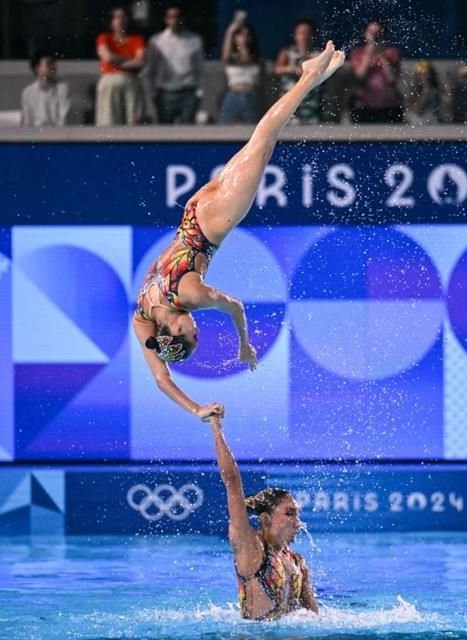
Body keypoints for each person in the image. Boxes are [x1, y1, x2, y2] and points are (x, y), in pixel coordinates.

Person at [132, 41, 345, 419]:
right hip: (194, 211)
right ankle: (312, 79)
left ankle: (309, 75)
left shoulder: (191, 296)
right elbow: (161, 379)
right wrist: (195, 408)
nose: (197, 327)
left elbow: (235, 306)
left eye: (193, 333)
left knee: (264, 142)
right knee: (258, 143)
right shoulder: (142, 315)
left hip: (215, 223)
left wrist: (244, 344)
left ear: (177, 330)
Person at [207, 414, 318, 620]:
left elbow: (315, 619)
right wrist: (215, 427)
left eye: (298, 515)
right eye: (289, 514)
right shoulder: (251, 549)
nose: (297, 522)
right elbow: (231, 481)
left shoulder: (297, 562)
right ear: (266, 519)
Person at [145, 4, 204, 124]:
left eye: (177, 17)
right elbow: (152, 68)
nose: (175, 20)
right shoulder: (156, 40)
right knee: (164, 133)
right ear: (166, 19)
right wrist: (153, 92)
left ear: (182, 19)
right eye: (171, 17)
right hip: (165, 93)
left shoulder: (194, 40)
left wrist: (200, 92)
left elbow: (200, 68)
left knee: (188, 133)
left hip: (188, 92)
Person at [95, 6, 146, 126]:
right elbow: (107, 57)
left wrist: (116, 61)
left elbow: (141, 62)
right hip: (109, 80)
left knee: (134, 122)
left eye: (123, 17)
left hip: (132, 81)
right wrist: (131, 60)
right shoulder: (104, 38)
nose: (120, 20)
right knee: (109, 122)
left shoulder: (137, 39)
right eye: (116, 17)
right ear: (111, 21)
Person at [348, 19, 404, 124]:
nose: (374, 36)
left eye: (378, 33)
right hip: (363, 105)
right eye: (371, 32)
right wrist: (369, 55)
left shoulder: (392, 53)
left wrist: (382, 55)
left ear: (383, 35)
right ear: (365, 34)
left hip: (389, 105)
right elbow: (359, 77)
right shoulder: (357, 53)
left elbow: (392, 79)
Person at [274, 18, 322, 125]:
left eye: (307, 33)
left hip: (311, 102)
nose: (304, 37)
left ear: (313, 36)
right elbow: (277, 69)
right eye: (301, 33)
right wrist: (291, 68)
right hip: (290, 99)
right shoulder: (287, 52)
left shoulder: (318, 54)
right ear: (295, 35)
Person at [219, 12, 262, 124]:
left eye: (247, 34)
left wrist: (243, 47)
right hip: (233, 94)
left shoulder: (256, 58)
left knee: (252, 129)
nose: (245, 37)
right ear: (235, 38)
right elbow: (225, 57)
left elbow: (248, 60)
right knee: (225, 129)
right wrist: (230, 31)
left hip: (251, 95)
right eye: (241, 35)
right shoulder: (231, 57)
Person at [21, 51, 71, 127]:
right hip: (35, 136)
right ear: (37, 68)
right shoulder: (28, 92)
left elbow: (64, 120)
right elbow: (27, 122)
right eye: (49, 64)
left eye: (53, 63)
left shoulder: (62, 88)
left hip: (57, 135)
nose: (53, 67)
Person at [406, 59, 441, 124]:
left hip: (432, 123)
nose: (425, 77)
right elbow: (417, 111)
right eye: (422, 74)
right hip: (418, 123)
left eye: (427, 74)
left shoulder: (436, 89)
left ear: (431, 75)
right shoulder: (413, 90)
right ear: (417, 76)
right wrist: (425, 90)